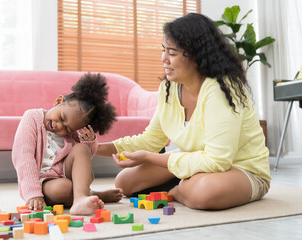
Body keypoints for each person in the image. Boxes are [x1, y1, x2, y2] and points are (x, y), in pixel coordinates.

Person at [97, 13, 271, 210]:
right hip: (199, 160)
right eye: (164, 50)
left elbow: (218, 161)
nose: (164, 59)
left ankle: (177, 191)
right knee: (124, 182)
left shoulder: (221, 89)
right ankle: (188, 183)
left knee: (204, 191)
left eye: (172, 53)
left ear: (197, 55)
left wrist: (150, 158)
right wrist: (95, 148)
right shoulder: (169, 88)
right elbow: (150, 140)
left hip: (241, 169)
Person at [12, 73, 123, 215]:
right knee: (64, 188)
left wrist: (89, 142)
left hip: (64, 176)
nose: (60, 126)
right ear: (58, 101)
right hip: (42, 182)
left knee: (82, 149)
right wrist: (33, 194)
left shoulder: (72, 134)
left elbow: (83, 162)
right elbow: (23, 157)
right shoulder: (32, 118)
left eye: (69, 128)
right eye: (62, 117)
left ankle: (80, 199)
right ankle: (93, 195)